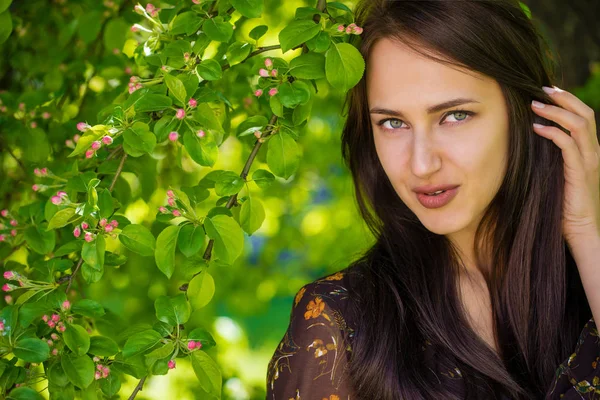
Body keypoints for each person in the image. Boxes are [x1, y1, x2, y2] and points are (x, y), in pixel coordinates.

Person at [266, 0, 600, 398]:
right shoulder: (336, 327)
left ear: (528, 114)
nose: (421, 164)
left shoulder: (587, 279)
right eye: (393, 123)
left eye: (454, 115)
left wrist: (585, 233)